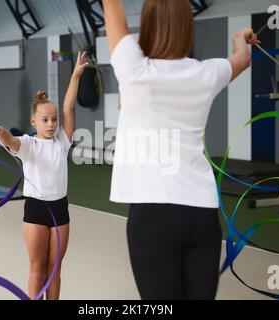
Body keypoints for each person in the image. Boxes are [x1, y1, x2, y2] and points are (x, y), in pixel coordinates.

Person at [102, 0, 260, 300]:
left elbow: (111, 7)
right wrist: (240, 37)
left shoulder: (134, 69)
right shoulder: (207, 72)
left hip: (153, 216)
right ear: (188, 27)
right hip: (201, 216)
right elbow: (242, 58)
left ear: (148, 25)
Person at [0, 52, 88, 300]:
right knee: (37, 269)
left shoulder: (63, 142)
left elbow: (68, 106)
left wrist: (75, 74)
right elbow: (10, 141)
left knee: (55, 270)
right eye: (45, 119)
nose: (52, 123)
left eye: (54, 119)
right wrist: (0, 132)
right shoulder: (28, 144)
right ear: (34, 120)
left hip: (60, 209)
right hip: (35, 210)